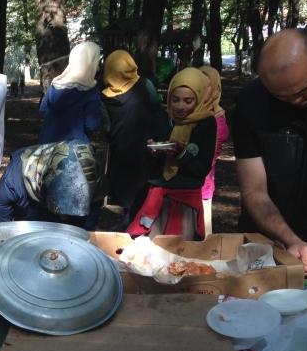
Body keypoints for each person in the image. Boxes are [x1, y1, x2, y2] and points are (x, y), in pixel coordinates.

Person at [233, 28, 307, 274]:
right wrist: (290, 239)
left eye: (303, 91)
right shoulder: (252, 103)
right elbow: (255, 191)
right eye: (281, 97)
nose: (295, 102)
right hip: (280, 238)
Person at [127, 67, 217, 240]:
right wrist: (153, 151)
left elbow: (202, 168)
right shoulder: (159, 119)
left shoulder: (206, 124)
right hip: (157, 196)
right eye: (175, 100)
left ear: (198, 98)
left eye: (188, 101)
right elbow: (144, 163)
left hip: (186, 198)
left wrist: (182, 153)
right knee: (152, 251)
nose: (180, 106)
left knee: (181, 252)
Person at [100, 49, 166, 227]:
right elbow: (157, 109)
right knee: (142, 186)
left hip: (121, 148)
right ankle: (136, 224)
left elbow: (105, 126)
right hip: (146, 146)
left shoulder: (104, 97)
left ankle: (129, 222)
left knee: (126, 188)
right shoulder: (146, 86)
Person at [0, 139, 105, 226]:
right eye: (63, 213)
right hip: (29, 214)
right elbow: (0, 223)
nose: (64, 217)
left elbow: (87, 229)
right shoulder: (14, 180)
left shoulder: (95, 182)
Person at [38, 41, 102, 145]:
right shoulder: (90, 92)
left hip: (47, 148)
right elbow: (92, 125)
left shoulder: (55, 85)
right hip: (73, 152)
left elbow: (43, 111)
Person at [198, 65, 231, 236]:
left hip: (202, 182)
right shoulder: (191, 111)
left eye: (207, 83)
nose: (202, 87)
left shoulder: (216, 118)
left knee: (204, 231)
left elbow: (209, 155)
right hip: (188, 183)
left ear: (216, 87)